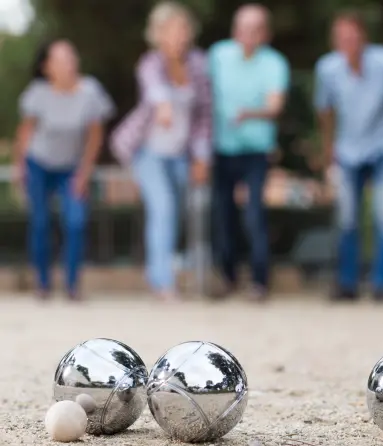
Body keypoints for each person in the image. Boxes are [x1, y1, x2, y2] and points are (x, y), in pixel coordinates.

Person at [314, 11, 383, 302]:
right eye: (341, 38)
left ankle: (381, 285)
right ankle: (347, 283)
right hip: (347, 151)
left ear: (364, 37)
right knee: (346, 218)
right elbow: (325, 111)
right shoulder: (328, 68)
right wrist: (329, 151)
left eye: (352, 36)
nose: (347, 42)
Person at [110, 1, 211, 301]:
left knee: (176, 213)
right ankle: (163, 282)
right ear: (159, 33)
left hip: (180, 153)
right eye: (174, 29)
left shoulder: (198, 64)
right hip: (148, 151)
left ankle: (160, 270)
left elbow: (205, 114)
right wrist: (164, 105)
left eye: (184, 28)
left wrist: (202, 156)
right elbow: (155, 90)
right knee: (163, 208)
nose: (181, 34)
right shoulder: (150, 63)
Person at [12, 39, 114, 301]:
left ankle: (72, 285)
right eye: (61, 59)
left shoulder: (90, 91)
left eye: (71, 57)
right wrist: (20, 169)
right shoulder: (37, 93)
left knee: (76, 222)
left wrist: (84, 173)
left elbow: (95, 136)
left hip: (71, 167)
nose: (69, 64)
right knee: (41, 222)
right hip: (39, 164)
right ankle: (43, 284)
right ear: (47, 67)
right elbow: (25, 133)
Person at [207, 4, 290, 302]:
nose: (248, 35)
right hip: (221, 149)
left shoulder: (275, 63)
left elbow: (275, 106)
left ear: (265, 33)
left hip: (256, 150)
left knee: (254, 214)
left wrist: (249, 114)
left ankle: (259, 281)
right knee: (222, 214)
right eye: (243, 27)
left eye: (255, 29)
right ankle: (227, 277)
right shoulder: (217, 55)